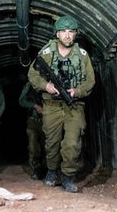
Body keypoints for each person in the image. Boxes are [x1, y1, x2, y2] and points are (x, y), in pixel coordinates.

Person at [27, 15, 95, 193]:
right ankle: (51, 170)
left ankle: (67, 175)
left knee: (72, 142)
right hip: (51, 106)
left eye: (71, 32)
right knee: (52, 142)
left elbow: (90, 81)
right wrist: (46, 86)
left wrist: (76, 91)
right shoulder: (46, 53)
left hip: (74, 105)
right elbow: (32, 75)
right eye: (63, 32)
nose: (67, 35)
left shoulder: (82, 55)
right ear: (57, 34)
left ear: (75, 35)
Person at [18, 81, 46, 180]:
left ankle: (48, 169)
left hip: (48, 120)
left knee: (49, 146)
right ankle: (36, 169)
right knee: (33, 146)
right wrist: (34, 105)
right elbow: (21, 101)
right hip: (33, 121)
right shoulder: (29, 85)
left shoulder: (50, 82)